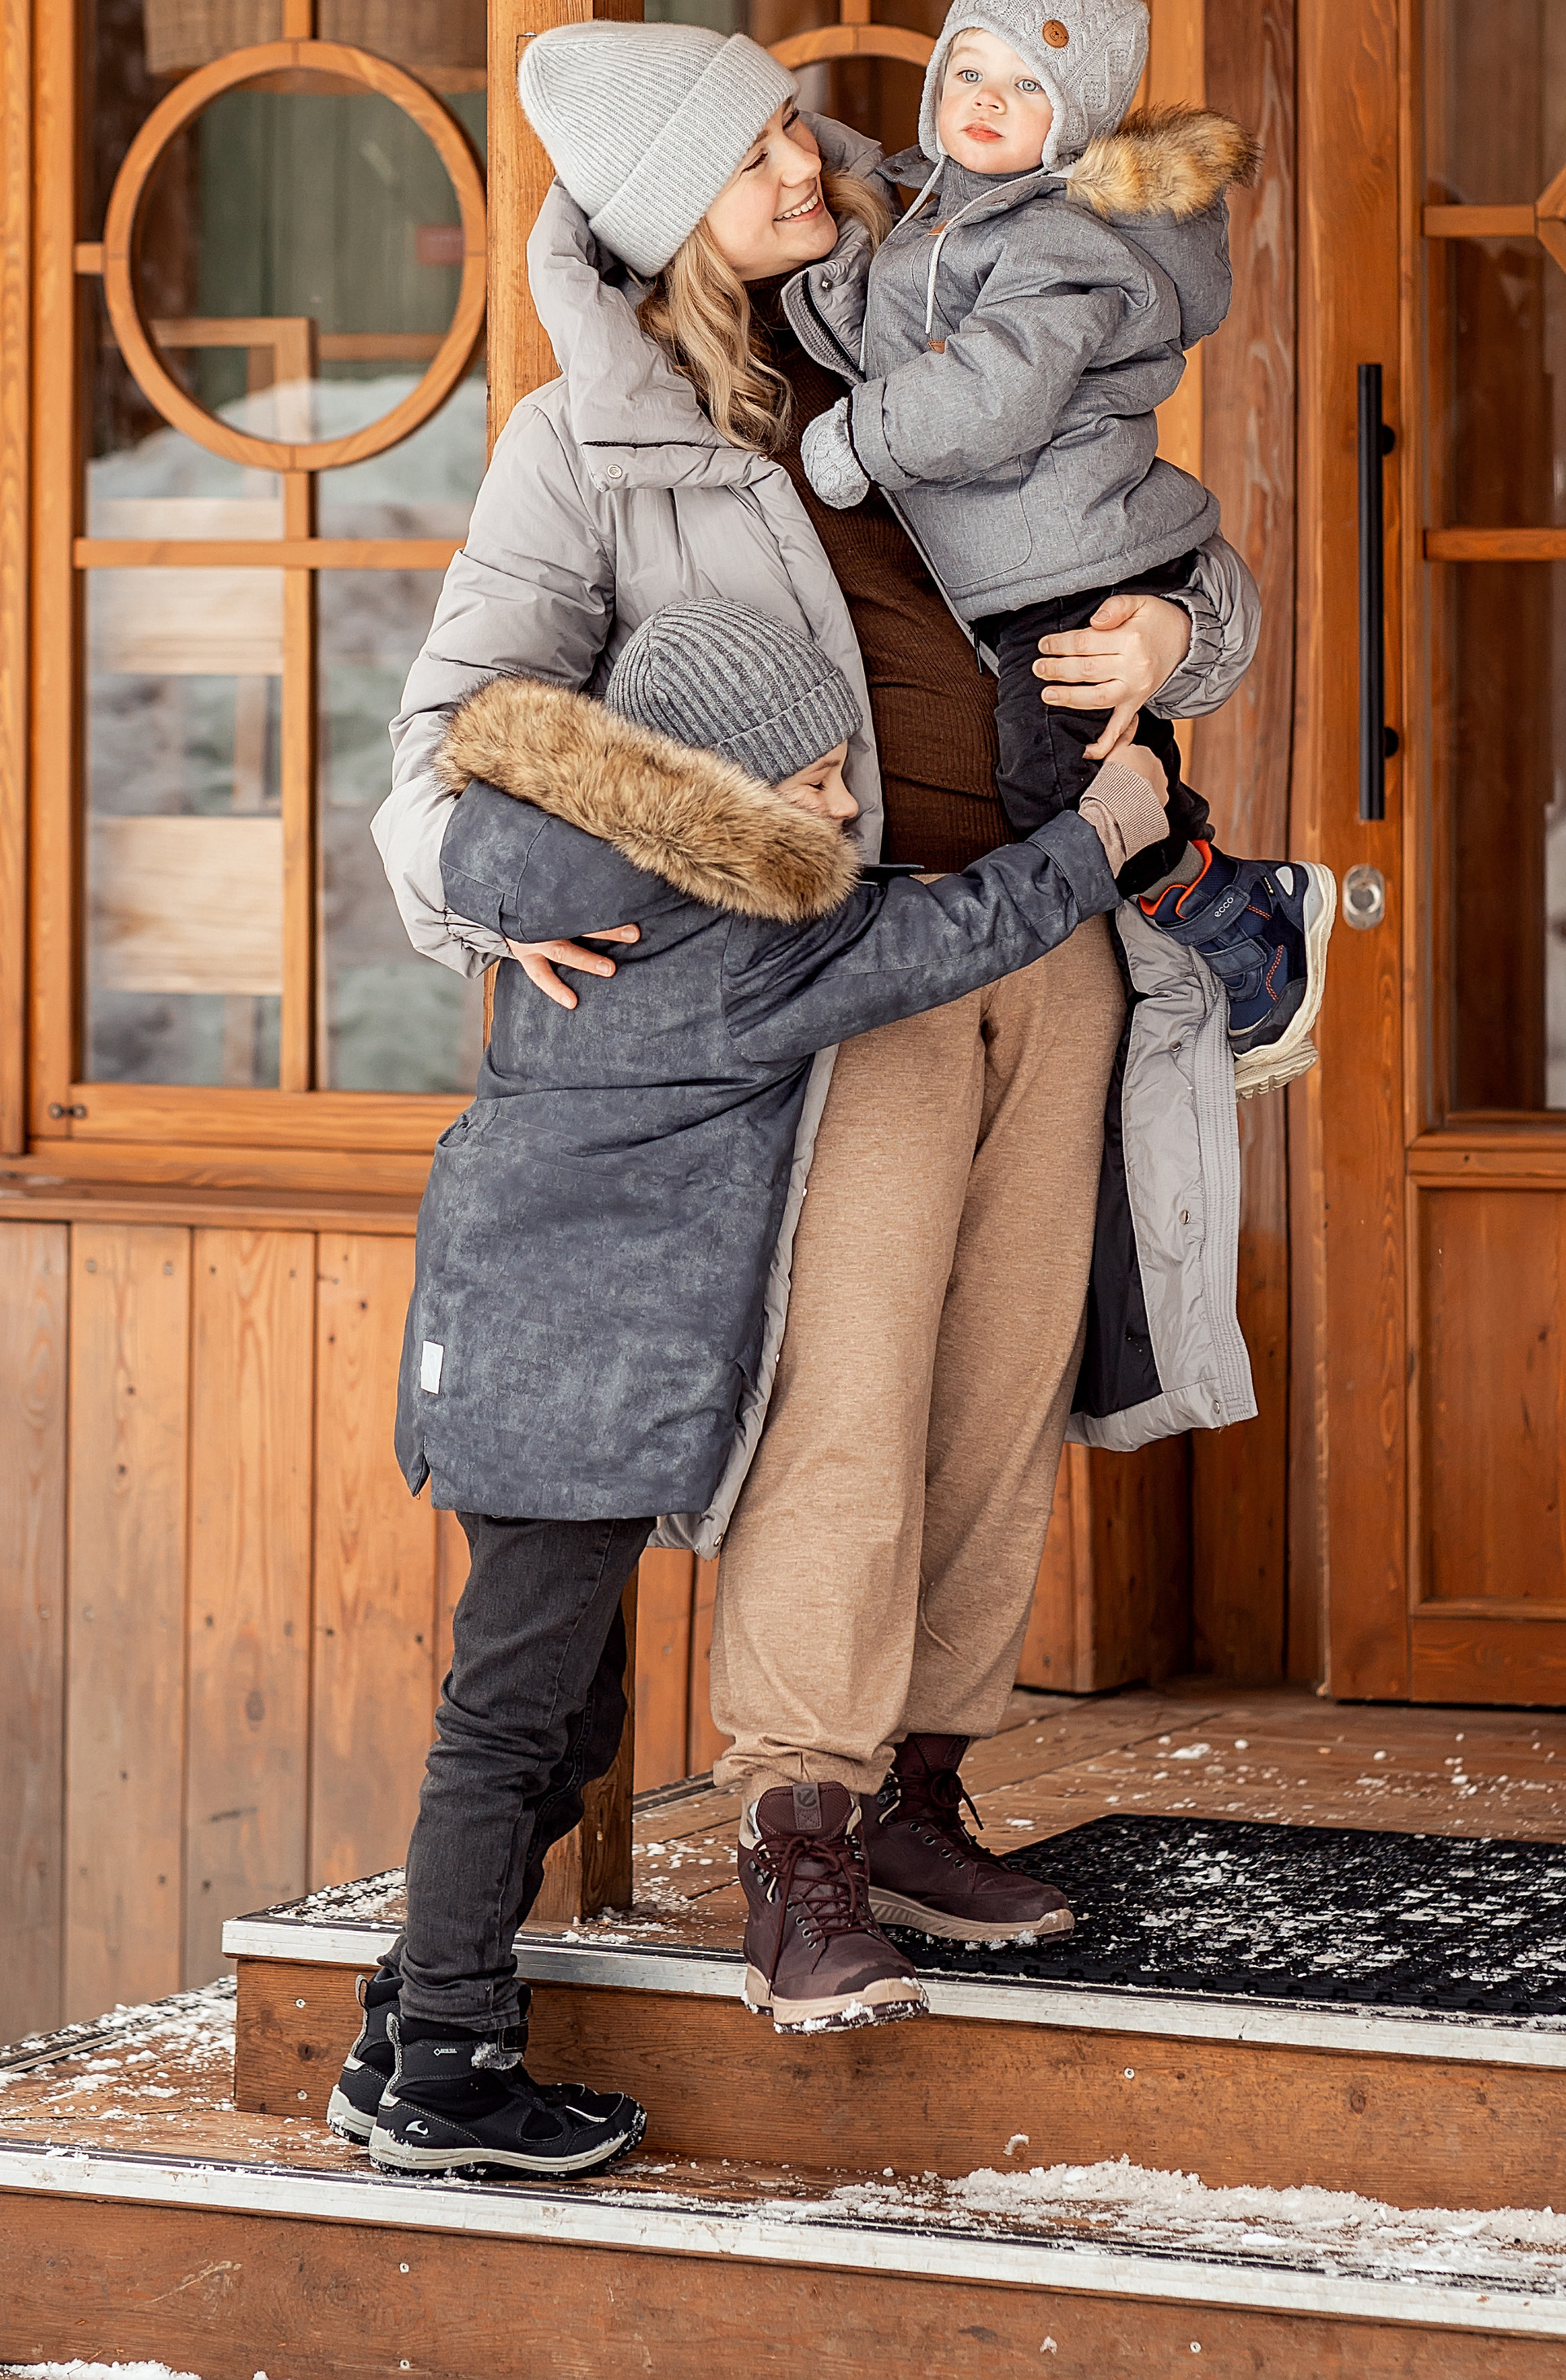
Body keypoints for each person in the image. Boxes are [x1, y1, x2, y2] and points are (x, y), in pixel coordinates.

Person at [372, 17, 1262, 2049]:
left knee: (992, 1385)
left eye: (796, 122)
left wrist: (1174, 638)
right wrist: (537, 887)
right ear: (671, 199)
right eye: (761, 140)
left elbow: (1169, 545)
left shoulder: (911, 348)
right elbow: (442, 759)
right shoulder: (579, 439)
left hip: (1044, 934)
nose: (814, 157)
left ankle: (926, 1789)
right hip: (840, 973)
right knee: (842, 1400)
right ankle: (798, 1832)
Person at [353, 602, 1171, 2172]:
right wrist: (1109, 826)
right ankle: (449, 2063)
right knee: (511, 1725)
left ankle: (406, 2030)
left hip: (516, 1348)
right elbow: (948, 935)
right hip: (590, 1377)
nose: (852, 813)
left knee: (558, 1717)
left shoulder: (560, 873)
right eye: (815, 787)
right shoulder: (732, 945)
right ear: (716, 795)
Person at [794, 0, 1335, 1098]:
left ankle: (1241, 920)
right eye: (969, 71)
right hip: (1011, 581)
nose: (984, 103)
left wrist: (852, 440)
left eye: (1026, 88)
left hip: (1067, 572)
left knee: (1062, 784)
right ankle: (1204, 924)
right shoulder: (940, 209)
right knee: (1079, 772)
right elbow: (849, 182)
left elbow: (992, 396)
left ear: (1077, 128)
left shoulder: (1058, 243)